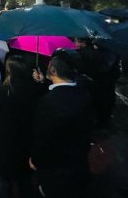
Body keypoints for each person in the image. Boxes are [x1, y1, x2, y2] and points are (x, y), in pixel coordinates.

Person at [30, 54, 92, 198]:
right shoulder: (85, 94)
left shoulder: (47, 102)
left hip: (54, 172)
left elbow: (42, 138)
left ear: (52, 70)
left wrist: (35, 160)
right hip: (79, 164)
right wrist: (44, 83)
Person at [0, 56, 35, 198]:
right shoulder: (33, 90)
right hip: (25, 142)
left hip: (3, 143)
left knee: (4, 183)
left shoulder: (0, 92)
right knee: (24, 181)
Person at [74, 37, 121, 129]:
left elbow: (83, 70)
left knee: (97, 104)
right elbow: (117, 72)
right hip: (108, 87)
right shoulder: (112, 53)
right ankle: (104, 121)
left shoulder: (84, 54)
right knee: (105, 104)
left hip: (95, 87)